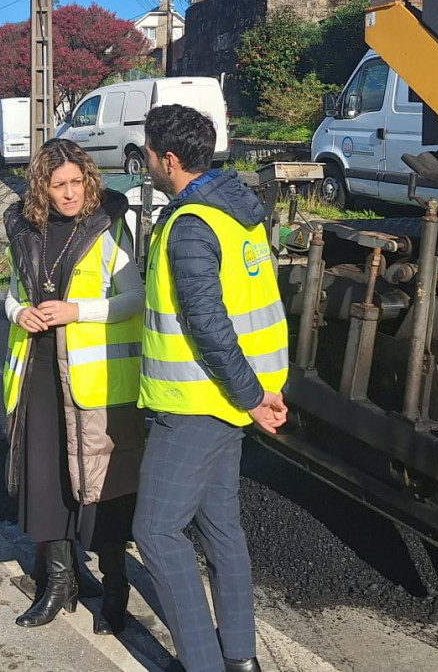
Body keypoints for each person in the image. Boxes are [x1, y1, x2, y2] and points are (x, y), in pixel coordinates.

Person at [132, 105, 289, 672]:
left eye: (148, 153)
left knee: (155, 531)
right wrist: (255, 394)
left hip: (198, 401)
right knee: (220, 526)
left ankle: (201, 662)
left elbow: (208, 323)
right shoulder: (240, 212)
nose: (146, 162)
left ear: (168, 159)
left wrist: (249, 397)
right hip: (234, 398)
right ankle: (241, 659)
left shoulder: (190, 224)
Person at [2, 138, 146, 634]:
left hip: (93, 377)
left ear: (88, 180)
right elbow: (13, 293)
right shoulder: (26, 232)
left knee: (102, 484)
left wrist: (76, 311)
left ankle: (115, 588)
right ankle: (60, 584)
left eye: (76, 182)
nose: (69, 194)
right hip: (39, 371)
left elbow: (135, 297)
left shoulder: (107, 227)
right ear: (42, 187)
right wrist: (18, 311)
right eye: (59, 184)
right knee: (48, 481)